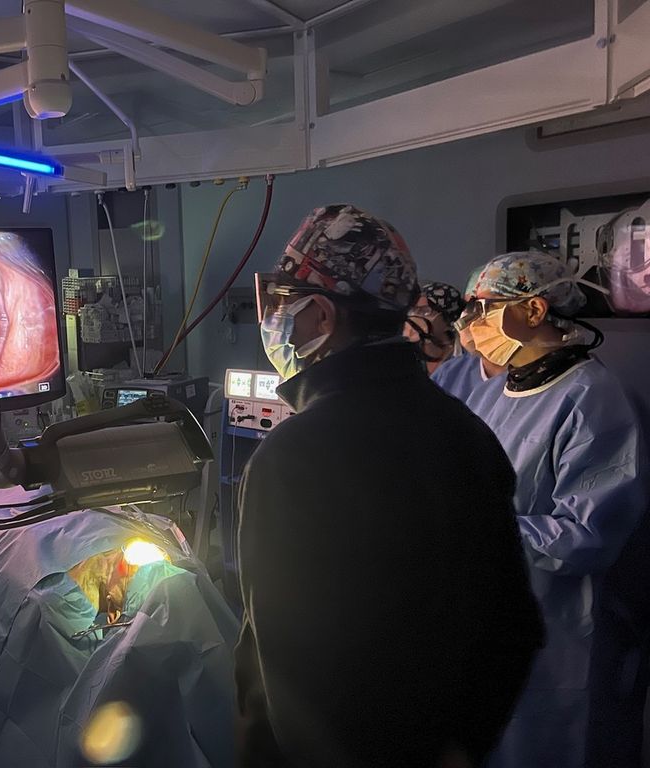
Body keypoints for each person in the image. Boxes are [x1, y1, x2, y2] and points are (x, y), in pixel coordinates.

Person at [237, 205, 543, 768]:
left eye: (283, 304)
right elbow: (514, 626)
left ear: (321, 316)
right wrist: (460, 749)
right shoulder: (466, 433)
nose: (275, 321)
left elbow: (284, 669)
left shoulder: (293, 457)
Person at [455, 251, 650, 768]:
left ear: (534, 310)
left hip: (563, 630)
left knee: (552, 745)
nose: (469, 325)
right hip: (498, 613)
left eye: (482, 308)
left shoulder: (593, 399)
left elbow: (586, 536)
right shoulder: (492, 393)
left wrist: (477, 527)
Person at [430, 268, 507, 402]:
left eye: (486, 306)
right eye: (469, 306)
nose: (468, 317)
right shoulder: (449, 374)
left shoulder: (535, 379)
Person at [403, 281, 465, 374]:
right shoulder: (405, 356)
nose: (414, 316)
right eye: (412, 310)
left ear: (447, 319)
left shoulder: (466, 358)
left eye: (424, 311)